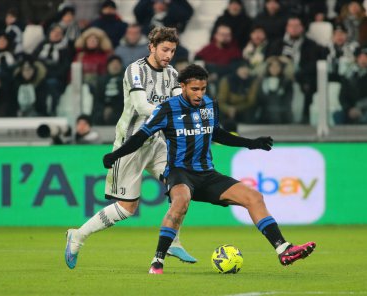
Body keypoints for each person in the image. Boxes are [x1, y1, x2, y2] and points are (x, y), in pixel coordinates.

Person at [102, 64, 316, 274]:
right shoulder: (167, 109)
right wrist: (116, 155)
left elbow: (218, 134)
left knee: (255, 197)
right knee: (181, 201)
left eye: (203, 89)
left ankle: (283, 249)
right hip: (180, 172)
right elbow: (141, 136)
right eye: (195, 89)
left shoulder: (209, 105)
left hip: (208, 175)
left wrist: (252, 143)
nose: (199, 94)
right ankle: (158, 260)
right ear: (183, 86)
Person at [64, 27, 196, 270]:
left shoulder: (173, 74)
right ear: (152, 47)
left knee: (182, 187)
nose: (168, 55)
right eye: (164, 49)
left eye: (173, 50)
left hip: (157, 144)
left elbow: (181, 103)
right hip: (130, 144)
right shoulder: (135, 70)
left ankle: (174, 240)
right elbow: (142, 106)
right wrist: (174, 111)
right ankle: (78, 235)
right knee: (127, 208)